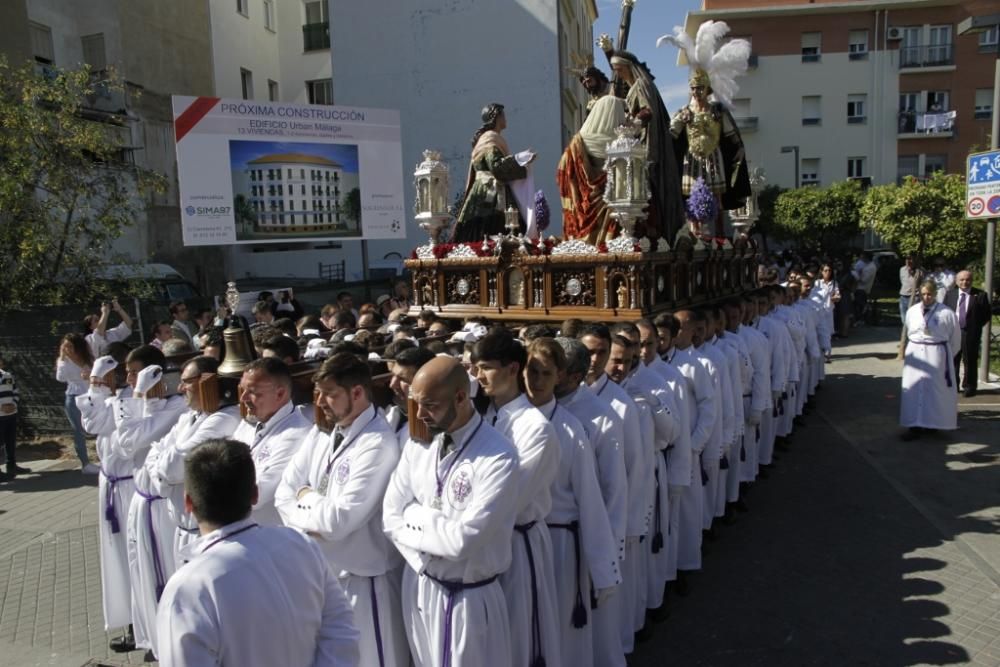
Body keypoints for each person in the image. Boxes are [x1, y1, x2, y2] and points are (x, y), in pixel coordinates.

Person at [155, 438, 360, 666]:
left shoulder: (187, 589)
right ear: (254, 494)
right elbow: (341, 633)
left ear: (188, 503)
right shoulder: (301, 546)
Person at [382, 357, 519, 667]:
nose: (420, 414)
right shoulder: (419, 444)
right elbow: (389, 517)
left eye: (430, 405)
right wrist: (424, 558)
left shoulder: (498, 456)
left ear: (460, 397)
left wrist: (416, 515)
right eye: (416, 404)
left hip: (470, 599)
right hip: (422, 585)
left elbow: (463, 542)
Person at [276, 353, 410, 667]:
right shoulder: (325, 433)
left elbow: (339, 521)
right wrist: (312, 510)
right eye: (319, 393)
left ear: (358, 393)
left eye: (331, 394)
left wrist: (305, 496)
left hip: (364, 583)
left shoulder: (377, 444)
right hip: (324, 574)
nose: (320, 402)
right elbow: (283, 494)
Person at [524, 338, 621, 667]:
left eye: (546, 372)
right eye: (531, 371)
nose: (536, 380)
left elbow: (607, 493)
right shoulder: (513, 417)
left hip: (564, 540)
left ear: (567, 374)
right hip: (524, 542)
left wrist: (605, 558)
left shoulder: (589, 421)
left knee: (566, 631)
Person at [472, 330, 562, 667]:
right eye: (474, 367)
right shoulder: (483, 417)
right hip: (484, 544)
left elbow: (508, 499)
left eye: (485, 367)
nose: (477, 376)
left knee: (520, 634)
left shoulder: (535, 429)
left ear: (512, 369)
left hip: (517, 544)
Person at [554, 336, 628, 666]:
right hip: (544, 538)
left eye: (549, 370)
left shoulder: (600, 417)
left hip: (581, 536)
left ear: (574, 375)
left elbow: (614, 490)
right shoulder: (533, 409)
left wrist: (605, 558)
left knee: (590, 632)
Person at [148, 356, 241, 563]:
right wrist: (163, 466)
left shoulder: (224, 418)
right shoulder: (189, 416)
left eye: (186, 381)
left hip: (203, 536)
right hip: (181, 531)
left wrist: (163, 468)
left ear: (206, 381)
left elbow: (173, 467)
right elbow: (153, 454)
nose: (180, 388)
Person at [609, 51, 684, 241]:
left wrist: (635, 123)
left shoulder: (641, 85)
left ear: (628, 67)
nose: (618, 74)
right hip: (637, 145)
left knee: (647, 186)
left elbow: (647, 110)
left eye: (619, 69)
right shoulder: (636, 86)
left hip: (646, 144)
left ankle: (652, 231)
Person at [231, 358, 311, 526]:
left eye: (252, 391)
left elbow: (258, 493)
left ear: (280, 394)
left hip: (268, 539)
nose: (243, 398)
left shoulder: (297, 434)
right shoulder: (248, 424)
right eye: (242, 390)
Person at [451, 103, 535, 243]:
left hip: (481, 191)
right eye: (503, 115)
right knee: (498, 234)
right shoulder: (491, 139)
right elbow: (496, 168)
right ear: (496, 117)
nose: (506, 118)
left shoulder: (484, 140)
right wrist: (522, 161)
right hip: (490, 193)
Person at [557, 93, 629, 244]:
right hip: (611, 218)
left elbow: (563, 171)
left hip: (578, 216)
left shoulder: (576, 144)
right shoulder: (622, 145)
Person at [900, 280, 960, 440]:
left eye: (930, 294)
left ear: (935, 294)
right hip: (915, 353)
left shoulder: (947, 313)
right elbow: (908, 331)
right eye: (924, 294)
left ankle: (932, 424)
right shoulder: (912, 311)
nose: (927, 297)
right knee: (913, 388)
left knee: (933, 391)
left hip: (936, 354)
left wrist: (942, 355)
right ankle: (914, 424)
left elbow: (955, 341)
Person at [56, 333, 99, 474]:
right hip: (73, 398)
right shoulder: (64, 361)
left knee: (98, 426)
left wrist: (90, 375)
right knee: (79, 431)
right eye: (65, 346)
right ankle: (85, 464)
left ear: (78, 346)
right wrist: (62, 358)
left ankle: (105, 458)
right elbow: (60, 377)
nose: (67, 349)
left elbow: (99, 373)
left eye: (70, 346)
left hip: (91, 396)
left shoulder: (88, 357)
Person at [385, 346, 436, 445]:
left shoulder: (433, 430)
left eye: (402, 379)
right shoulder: (391, 414)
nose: (392, 385)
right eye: (392, 375)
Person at [953, 270, 992, 397]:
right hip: (953, 332)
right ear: (957, 281)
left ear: (971, 280)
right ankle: (953, 385)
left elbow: (986, 315)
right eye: (962, 280)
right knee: (953, 359)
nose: (965, 282)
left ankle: (969, 386)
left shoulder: (980, 295)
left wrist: (975, 326)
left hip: (970, 332)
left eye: (968, 279)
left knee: (970, 359)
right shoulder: (950, 294)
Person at [0, 351, 25, 478]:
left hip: (10, 414)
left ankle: (11, 465)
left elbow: (15, 391)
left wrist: (13, 404)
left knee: (10, 441)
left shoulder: (7, 376)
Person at [810, 264, 839, 362]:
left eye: (829, 270)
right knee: (820, 331)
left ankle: (828, 354)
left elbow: (837, 294)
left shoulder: (834, 283)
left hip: (829, 310)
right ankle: (820, 352)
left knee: (828, 332)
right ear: (821, 272)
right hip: (819, 310)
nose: (827, 272)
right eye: (825, 270)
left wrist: (836, 298)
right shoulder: (817, 283)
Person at [851, 251, 877, 325]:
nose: (861, 258)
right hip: (859, 288)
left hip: (862, 289)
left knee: (859, 305)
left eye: (862, 257)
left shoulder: (871, 267)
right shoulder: (867, 265)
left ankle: (860, 319)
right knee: (857, 305)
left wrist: (855, 274)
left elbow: (864, 280)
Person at [899, 255, 923, 326]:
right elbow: (902, 281)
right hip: (903, 296)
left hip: (914, 297)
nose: (908, 261)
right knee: (904, 319)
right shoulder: (902, 269)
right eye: (907, 259)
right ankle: (906, 335)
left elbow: (920, 284)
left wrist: (913, 274)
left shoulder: (920, 271)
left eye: (910, 259)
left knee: (913, 319)